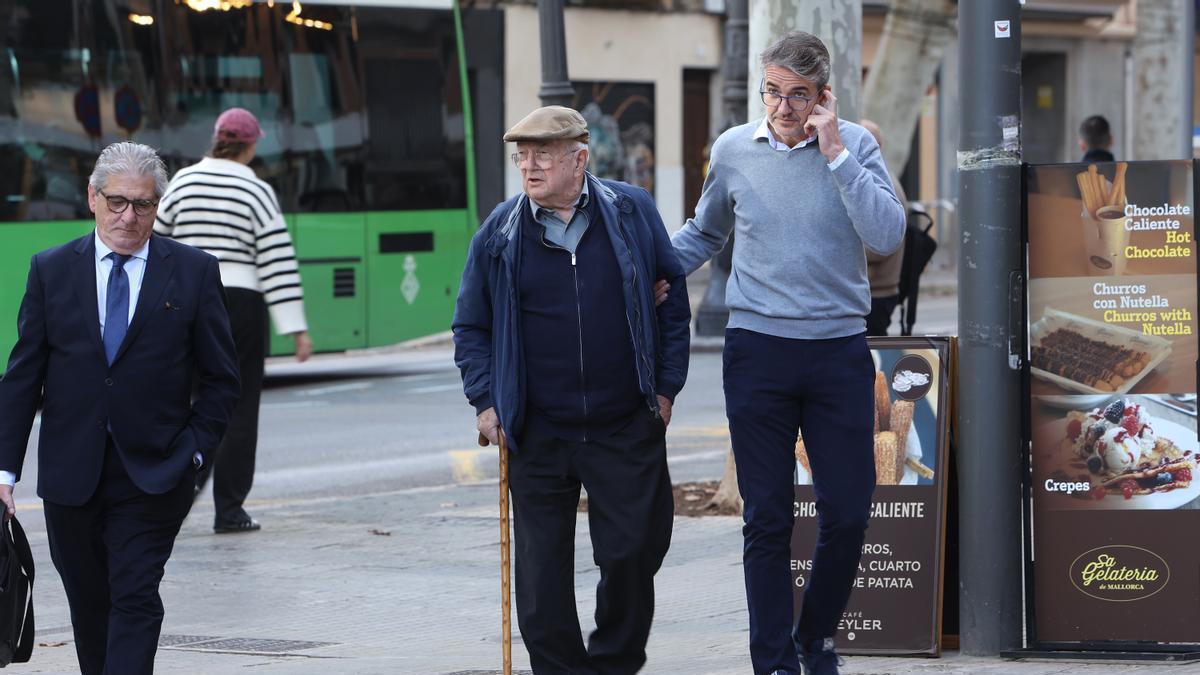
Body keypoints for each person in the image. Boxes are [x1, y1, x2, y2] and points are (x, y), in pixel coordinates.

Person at [671, 32, 905, 675]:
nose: (781, 107)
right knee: (767, 519)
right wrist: (652, 268)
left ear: (823, 96)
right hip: (758, 354)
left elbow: (886, 235)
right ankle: (772, 660)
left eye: (797, 95)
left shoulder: (855, 145)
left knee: (851, 513)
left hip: (838, 353)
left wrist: (835, 153)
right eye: (772, 92)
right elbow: (704, 232)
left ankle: (816, 637)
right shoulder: (733, 150)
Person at [452, 105, 691, 674]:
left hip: (624, 420)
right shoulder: (502, 231)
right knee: (539, 580)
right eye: (522, 157)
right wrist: (486, 402)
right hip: (537, 427)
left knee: (634, 553)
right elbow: (471, 325)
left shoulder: (631, 211)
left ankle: (612, 663)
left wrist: (663, 392)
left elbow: (672, 300)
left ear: (579, 159)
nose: (528, 168)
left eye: (542, 156)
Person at [0, 142, 240, 674]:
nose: (128, 217)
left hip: (154, 473)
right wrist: (4, 471)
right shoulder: (52, 270)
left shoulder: (194, 272)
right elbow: (22, 378)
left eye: (143, 205)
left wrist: (194, 454)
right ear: (92, 197)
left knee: (134, 595)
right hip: (71, 477)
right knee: (90, 606)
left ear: (158, 206)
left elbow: (223, 380)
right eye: (117, 202)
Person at [155, 107, 311, 533]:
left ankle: (174, 490)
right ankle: (230, 509)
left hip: (186, 301)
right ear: (252, 145)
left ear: (216, 137)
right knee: (240, 406)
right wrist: (296, 327)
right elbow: (276, 257)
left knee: (183, 399)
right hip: (241, 302)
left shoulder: (183, 181)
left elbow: (158, 242)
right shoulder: (256, 189)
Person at [859, 119, 907, 337]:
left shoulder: (883, 183)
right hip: (871, 292)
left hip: (876, 292)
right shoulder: (874, 179)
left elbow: (880, 244)